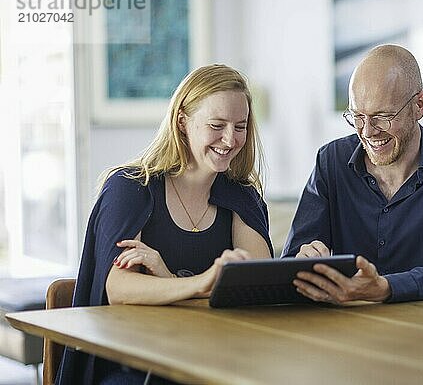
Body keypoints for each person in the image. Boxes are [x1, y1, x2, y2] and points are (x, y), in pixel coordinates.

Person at [57, 64, 273, 384]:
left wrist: (168, 277)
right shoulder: (131, 188)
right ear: (183, 122)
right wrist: (205, 282)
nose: (230, 139)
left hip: (217, 358)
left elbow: (257, 289)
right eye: (217, 125)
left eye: (240, 126)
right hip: (133, 365)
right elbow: (119, 288)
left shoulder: (242, 197)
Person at [282, 44, 423, 304]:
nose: (368, 131)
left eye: (382, 116)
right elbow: (292, 262)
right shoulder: (331, 162)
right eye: (357, 116)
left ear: (419, 105)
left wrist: (388, 287)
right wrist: (302, 259)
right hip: (352, 331)